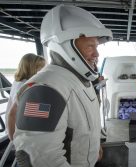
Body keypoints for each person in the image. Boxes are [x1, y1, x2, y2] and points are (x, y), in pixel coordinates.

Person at [13, 5, 112, 166]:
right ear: (66, 46)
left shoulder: (77, 80)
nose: (97, 54)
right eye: (90, 46)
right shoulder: (44, 89)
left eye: (96, 46)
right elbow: (37, 158)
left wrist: (94, 146)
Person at [5, 53, 45, 140]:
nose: (43, 70)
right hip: (19, 129)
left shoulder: (18, 82)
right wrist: (12, 138)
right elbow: (12, 114)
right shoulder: (25, 86)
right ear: (31, 68)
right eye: (40, 67)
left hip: (17, 126)